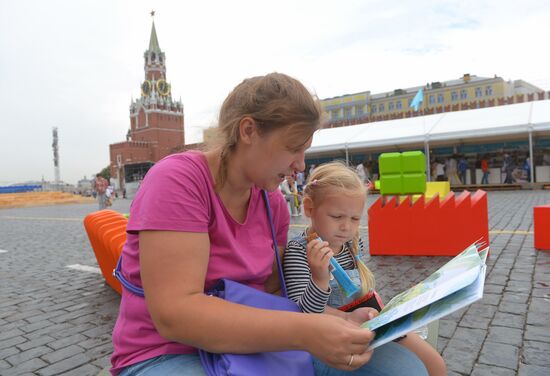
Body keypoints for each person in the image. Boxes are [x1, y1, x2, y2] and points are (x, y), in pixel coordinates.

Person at [110, 73, 428, 376]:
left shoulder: (271, 202)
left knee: (403, 368)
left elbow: (274, 294)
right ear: (248, 131)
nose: (300, 166)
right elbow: (175, 316)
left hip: (255, 345)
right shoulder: (179, 181)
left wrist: (338, 319)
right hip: (168, 352)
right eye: (293, 148)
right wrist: (306, 332)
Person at [283, 162, 446, 376]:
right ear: (309, 208)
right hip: (327, 339)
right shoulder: (299, 251)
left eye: (355, 219)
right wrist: (319, 279)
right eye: (337, 217)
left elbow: (360, 294)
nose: (346, 227)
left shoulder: (352, 244)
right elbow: (303, 313)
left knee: (435, 365)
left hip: (365, 324)